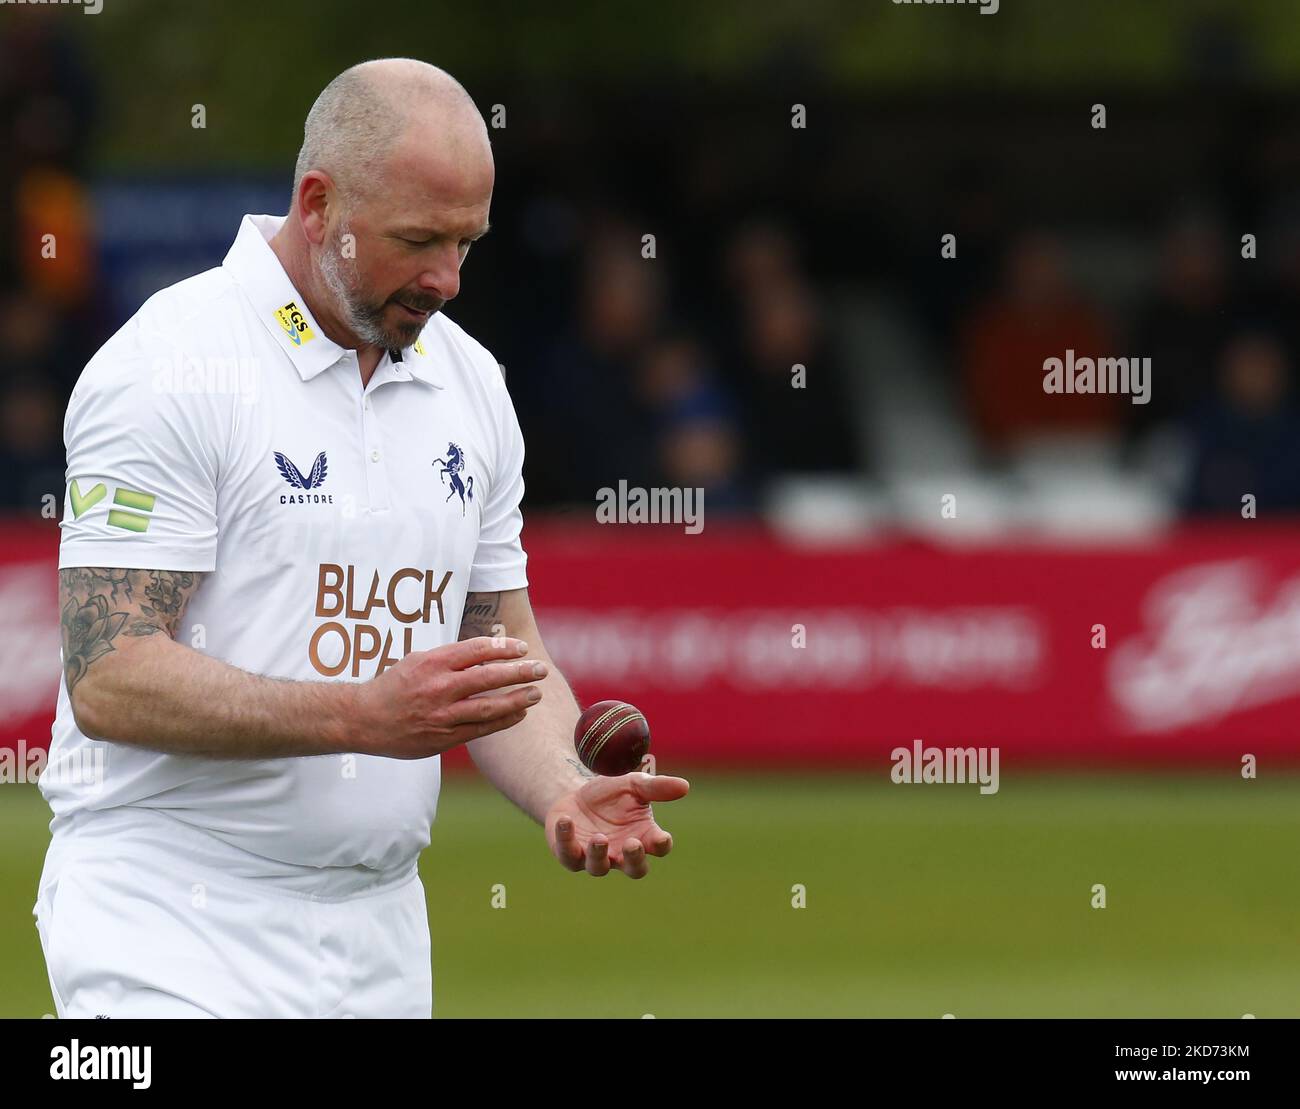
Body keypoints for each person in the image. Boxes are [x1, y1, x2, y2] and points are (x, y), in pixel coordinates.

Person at [35, 58, 689, 1019]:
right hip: (167, 918)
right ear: (317, 202)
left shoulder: (470, 383)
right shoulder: (169, 364)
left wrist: (562, 785)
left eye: (468, 242)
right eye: (418, 240)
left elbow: (500, 649)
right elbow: (110, 671)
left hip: (379, 931)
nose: (448, 279)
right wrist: (358, 715)